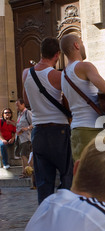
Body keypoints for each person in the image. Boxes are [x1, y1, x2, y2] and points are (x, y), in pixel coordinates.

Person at [60, 33, 105, 161]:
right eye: (82, 43)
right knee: (101, 176)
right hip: (93, 130)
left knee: (83, 176)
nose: (84, 46)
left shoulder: (63, 75)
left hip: (76, 131)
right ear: (76, 45)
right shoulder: (84, 66)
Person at [23, 37, 73, 204]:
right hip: (58, 131)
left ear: (41, 53)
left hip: (38, 132)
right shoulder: (57, 75)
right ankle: (63, 213)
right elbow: (69, 102)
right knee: (67, 176)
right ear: (57, 54)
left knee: (44, 183)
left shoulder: (26, 74)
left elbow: (27, 102)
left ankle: (46, 218)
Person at [15, 98, 33, 178]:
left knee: (24, 155)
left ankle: (27, 173)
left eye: (18, 105)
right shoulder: (20, 114)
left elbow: (34, 123)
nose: (17, 108)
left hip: (26, 138)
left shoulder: (27, 113)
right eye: (16, 106)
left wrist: (27, 128)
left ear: (23, 104)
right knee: (23, 156)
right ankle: (24, 172)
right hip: (20, 138)